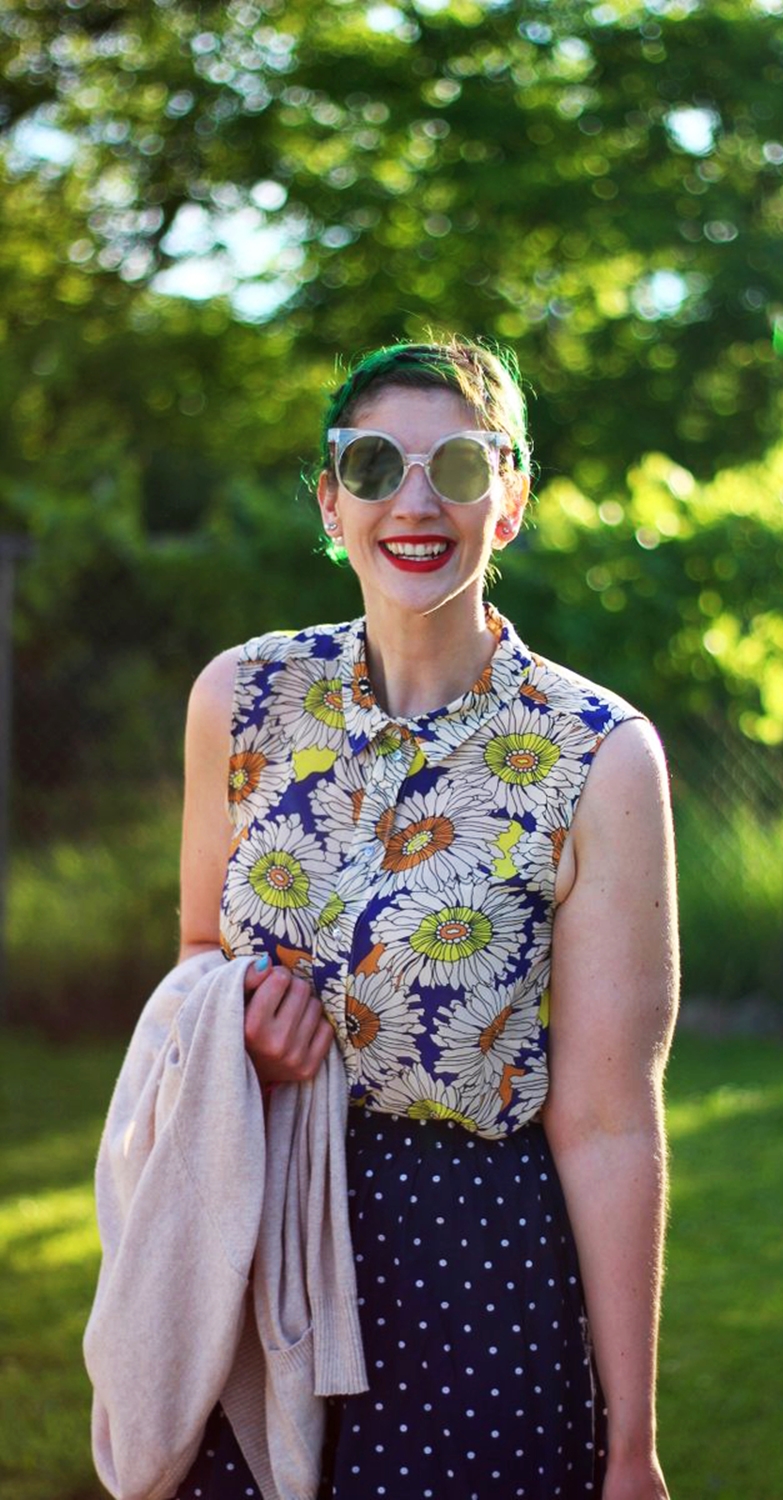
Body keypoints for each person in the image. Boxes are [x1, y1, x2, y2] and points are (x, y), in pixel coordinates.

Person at [174, 337, 678, 1500]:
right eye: (373, 466)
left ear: (509, 502)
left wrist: (631, 1445)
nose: (413, 503)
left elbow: (610, 1122)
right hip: (252, 1242)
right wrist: (239, 1032)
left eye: (455, 467)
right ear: (330, 501)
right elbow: (197, 953)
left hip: (475, 1270)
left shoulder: (598, 755)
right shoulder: (241, 702)